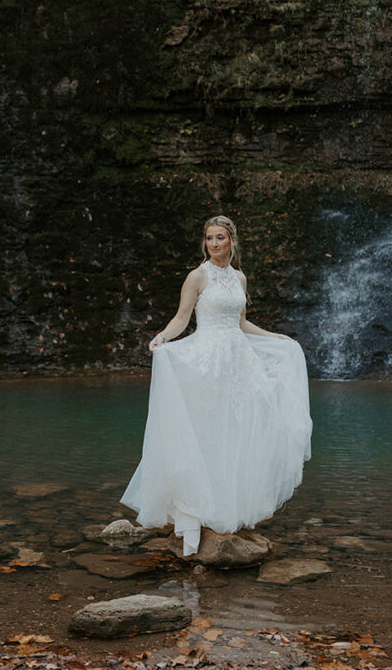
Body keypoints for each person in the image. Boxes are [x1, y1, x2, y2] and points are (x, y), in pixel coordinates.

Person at [120, 215, 313, 556]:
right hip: (206, 361)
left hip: (238, 365)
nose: (214, 243)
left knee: (234, 435)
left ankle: (227, 511)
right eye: (209, 238)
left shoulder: (239, 276)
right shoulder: (197, 276)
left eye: (220, 237)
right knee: (206, 433)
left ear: (231, 241)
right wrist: (161, 337)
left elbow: (240, 323)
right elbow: (183, 318)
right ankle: (194, 513)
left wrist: (277, 338)